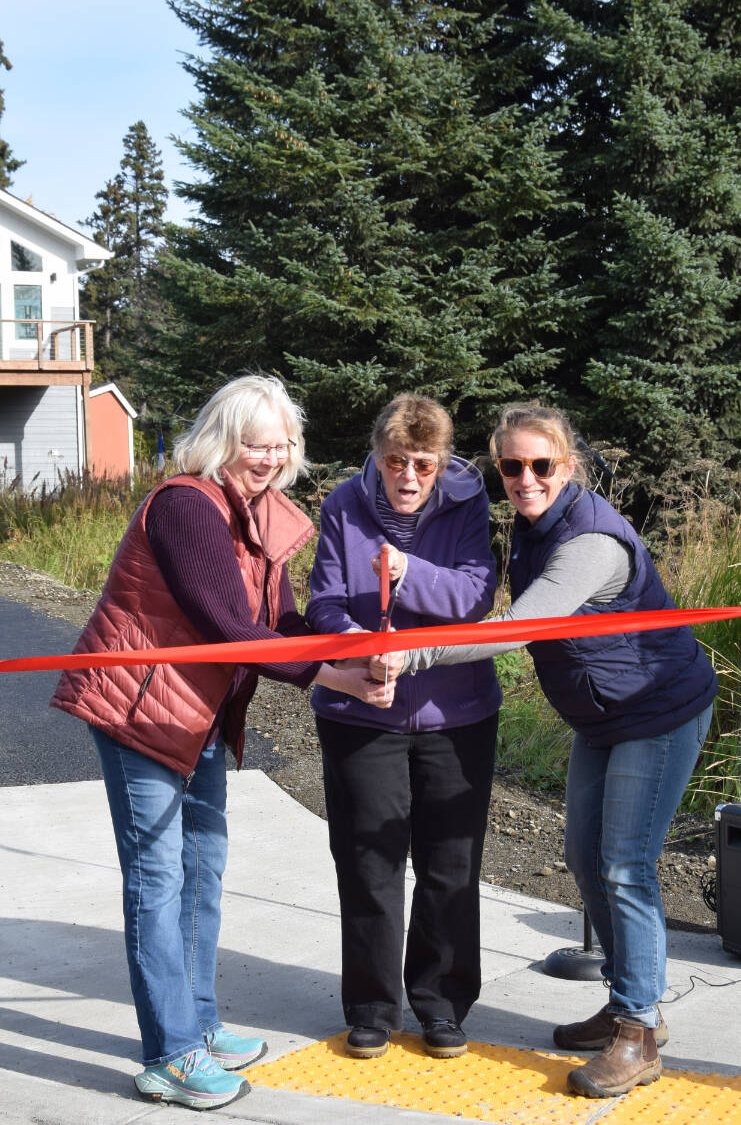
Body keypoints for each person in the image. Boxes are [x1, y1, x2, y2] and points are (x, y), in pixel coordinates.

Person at [52, 374, 394, 1111]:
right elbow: (227, 628)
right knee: (158, 880)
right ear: (220, 438)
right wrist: (332, 676)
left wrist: (353, 641)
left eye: (280, 447)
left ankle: (198, 1024)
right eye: (254, 445)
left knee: (203, 874)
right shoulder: (186, 505)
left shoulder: (260, 512)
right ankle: (171, 1055)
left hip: (200, 716)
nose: (268, 460)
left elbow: (283, 621)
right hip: (141, 710)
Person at [385, 403, 718, 1098]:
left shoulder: (589, 541)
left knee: (625, 866)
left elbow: (517, 629)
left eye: (542, 465)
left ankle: (638, 1033)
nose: (525, 478)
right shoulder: (531, 524)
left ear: (568, 466)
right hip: (603, 715)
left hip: (656, 712)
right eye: (511, 466)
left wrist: (407, 656)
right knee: (583, 857)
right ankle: (631, 999)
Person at [306, 394, 502, 1061]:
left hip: (458, 712)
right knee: (369, 861)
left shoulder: (468, 502)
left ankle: (442, 1004)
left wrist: (407, 572)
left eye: (424, 462)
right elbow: (324, 603)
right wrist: (361, 644)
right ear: (377, 458)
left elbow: (476, 599)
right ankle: (371, 1006)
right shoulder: (342, 504)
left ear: (443, 461)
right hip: (361, 711)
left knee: (451, 865)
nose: (409, 477)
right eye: (396, 462)